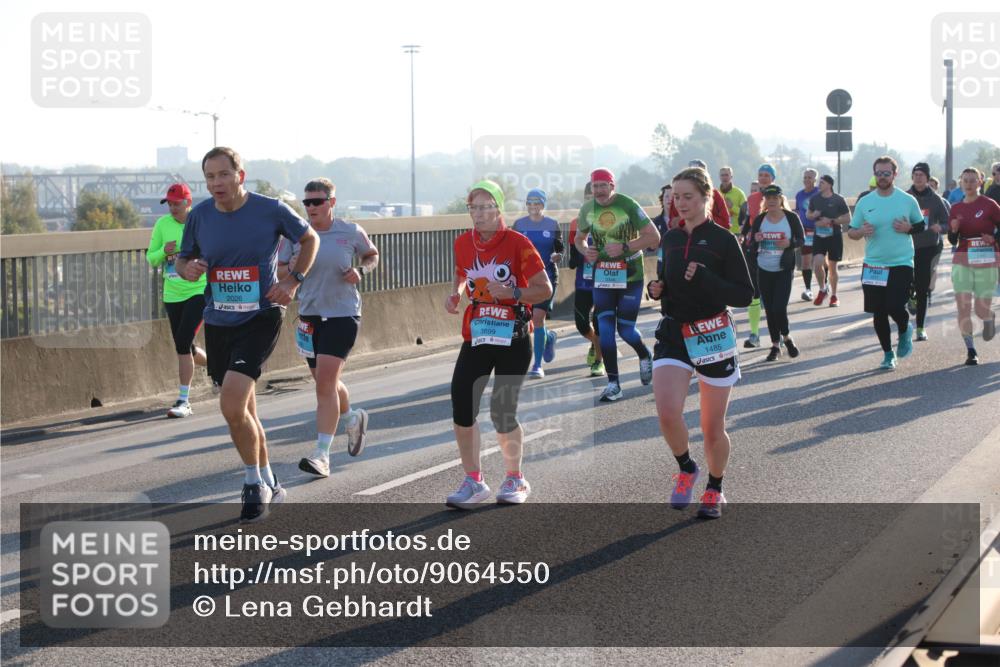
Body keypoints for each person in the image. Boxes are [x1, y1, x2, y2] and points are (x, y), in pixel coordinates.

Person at [177, 146, 319, 523]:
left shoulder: (269, 209)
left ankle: (253, 482)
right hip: (219, 319)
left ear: (240, 175)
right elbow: (183, 257)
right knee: (246, 409)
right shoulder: (200, 216)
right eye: (209, 177)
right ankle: (270, 476)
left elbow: (309, 241)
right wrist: (188, 268)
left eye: (223, 175)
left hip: (261, 315)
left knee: (231, 404)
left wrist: (292, 280)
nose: (216, 183)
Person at [647, 167, 753, 520]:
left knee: (711, 427)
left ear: (707, 198)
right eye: (675, 197)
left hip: (712, 334)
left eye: (688, 196)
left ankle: (715, 487)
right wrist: (657, 289)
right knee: (666, 412)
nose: (680, 203)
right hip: (674, 332)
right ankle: (686, 467)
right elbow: (665, 280)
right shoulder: (671, 239)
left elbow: (744, 294)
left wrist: (708, 278)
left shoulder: (724, 240)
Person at [444, 180, 551, 508]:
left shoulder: (518, 243)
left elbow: (544, 288)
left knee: (502, 412)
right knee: (462, 403)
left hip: (514, 336)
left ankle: (515, 478)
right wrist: (456, 293)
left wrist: (515, 293)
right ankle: (473, 481)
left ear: (499, 208)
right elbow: (462, 274)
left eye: (487, 206)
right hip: (476, 335)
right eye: (474, 207)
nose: (479, 213)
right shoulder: (462, 243)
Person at [277, 178, 378, 478]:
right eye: (306, 202)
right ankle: (352, 417)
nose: (311, 208)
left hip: (343, 315)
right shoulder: (295, 236)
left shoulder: (350, 231)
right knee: (326, 383)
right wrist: (292, 265)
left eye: (317, 202)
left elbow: (371, 255)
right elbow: (279, 268)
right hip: (308, 317)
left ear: (331, 202)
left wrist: (361, 271)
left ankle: (322, 455)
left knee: (324, 383)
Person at [575, 168, 660, 402]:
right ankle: (613, 383)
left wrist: (625, 247)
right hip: (603, 275)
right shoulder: (587, 210)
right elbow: (578, 238)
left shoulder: (628, 205)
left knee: (625, 329)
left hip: (630, 274)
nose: (599, 191)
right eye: (595, 186)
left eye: (604, 185)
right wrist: (586, 250)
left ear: (613, 186)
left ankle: (644, 354)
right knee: (604, 330)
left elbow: (654, 238)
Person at [847, 156, 924, 370]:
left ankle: (904, 326)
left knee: (893, 305)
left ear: (894, 174)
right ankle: (888, 354)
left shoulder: (907, 200)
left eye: (886, 173)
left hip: (901, 262)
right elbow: (851, 232)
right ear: (874, 174)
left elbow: (921, 226)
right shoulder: (865, 202)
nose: (882, 177)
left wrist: (908, 228)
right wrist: (861, 231)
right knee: (878, 311)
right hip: (874, 264)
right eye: (878, 173)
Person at [146, 182, 207, 418]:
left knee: (182, 342)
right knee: (187, 347)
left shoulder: (200, 223)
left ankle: (184, 400)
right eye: (169, 203)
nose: (172, 207)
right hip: (172, 293)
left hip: (198, 290)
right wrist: (165, 251)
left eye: (176, 203)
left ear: (188, 203)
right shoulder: (162, 224)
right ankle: (216, 367)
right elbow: (151, 258)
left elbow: (214, 251)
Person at [947, 167, 1000, 365]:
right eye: (965, 180)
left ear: (980, 182)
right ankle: (971, 351)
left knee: (980, 309)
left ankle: (989, 317)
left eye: (972, 180)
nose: (969, 184)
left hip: (986, 258)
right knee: (963, 306)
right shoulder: (956, 208)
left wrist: (993, 237)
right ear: (961, 183)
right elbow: (952, 240)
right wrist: (953, 231)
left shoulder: (989, 205)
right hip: (962, 258)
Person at [748, 185, 804, 361]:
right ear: (765, 200)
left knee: (779, 307)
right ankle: (774, 346)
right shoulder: (760, 220)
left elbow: (801, 239)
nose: (771, 200)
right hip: (764, 269)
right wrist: (755, 241)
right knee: (770, 310)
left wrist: (790, 244)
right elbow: (750, 246)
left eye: (775, 197)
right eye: (768, 198)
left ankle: (786, 337)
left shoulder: (791, 218)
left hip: (783, 269)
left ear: (781, 199)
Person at [513, 189, 563, 378]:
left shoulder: (552, 224)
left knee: (538, 318)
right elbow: (513, 249)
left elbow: (560, 248)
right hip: (525, 280)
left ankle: (537, 365)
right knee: (531, 320)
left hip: (547, 277)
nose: (533, 207)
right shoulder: (519, 225)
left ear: (543, 204)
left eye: (537, 203)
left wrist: (558, 256)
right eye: (530, 203)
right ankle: (549, 337)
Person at [906, 163, 949, 341]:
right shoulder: (905, 197)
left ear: (927, 178)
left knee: (923, 288)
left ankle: (920, 328)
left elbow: (948, 223)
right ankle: (911, 294)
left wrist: (942, 227)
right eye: (915, 174)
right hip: (906, 247)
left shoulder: (936, 199)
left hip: (928, 248)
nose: (918, 178)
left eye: (922, 175)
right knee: (907, 283)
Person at [568, 182, 605, 376]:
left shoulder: (610, 221)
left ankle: (599, 361)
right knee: (581, 324)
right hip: (583, 281)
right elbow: (573, 255)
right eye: (588, 199)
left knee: (599, 322)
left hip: (605, 280)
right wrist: (574, 257)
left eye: (595, 198)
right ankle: (595, 343)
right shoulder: (576, 223)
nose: (592, 202)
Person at [740, 164, 777, 348]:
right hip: (753, 248)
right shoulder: (752, 198)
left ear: (772, 178)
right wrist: (742, 234)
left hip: (774, 250)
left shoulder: (778, 197)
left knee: (772, 295)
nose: (763, 178)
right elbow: (748, 221)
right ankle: (754, 334)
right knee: (754, 292)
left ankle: (777, 335)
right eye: (760, 175)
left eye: (766, 175)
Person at [806, 175, 851, 307]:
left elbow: (848, 218)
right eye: (819, 182)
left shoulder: (838, 199)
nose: (819, 184)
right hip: (819, 236)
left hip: (834, 236)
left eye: (822, 182)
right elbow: (808, 214)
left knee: (832, 267)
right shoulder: (815, 199)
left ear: (829, 185)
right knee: (817, 263)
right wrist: (813, 216)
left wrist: (831, 221)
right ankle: (822, 289)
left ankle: (834, 296)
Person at [668, 159, 731, 230]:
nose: (681, 203)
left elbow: (726, 223)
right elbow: (671, 222)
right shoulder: (678, 194)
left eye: (688, 197)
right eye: (691, 174)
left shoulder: (715, 194)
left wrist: (702, 219)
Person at [794, 168, 820, 301]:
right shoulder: (799, 195)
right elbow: (798, 211)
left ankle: (824, 285)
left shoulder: (819, 193)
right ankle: (808, 289)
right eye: (805, 177)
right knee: (805, 262)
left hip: (820, 231)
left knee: (820, 262)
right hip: (806, 231)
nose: (806, 180)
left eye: (809, 177)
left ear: (815, 180)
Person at [719, 166, 747, 236]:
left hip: (736, 231)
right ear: (719, 177)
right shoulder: (716, 193)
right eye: (722, 175)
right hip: (720, 230)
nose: (724, 177)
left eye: (726, 175)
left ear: (731, 177)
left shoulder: (739, 193)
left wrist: (732, 206)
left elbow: (745, 213)